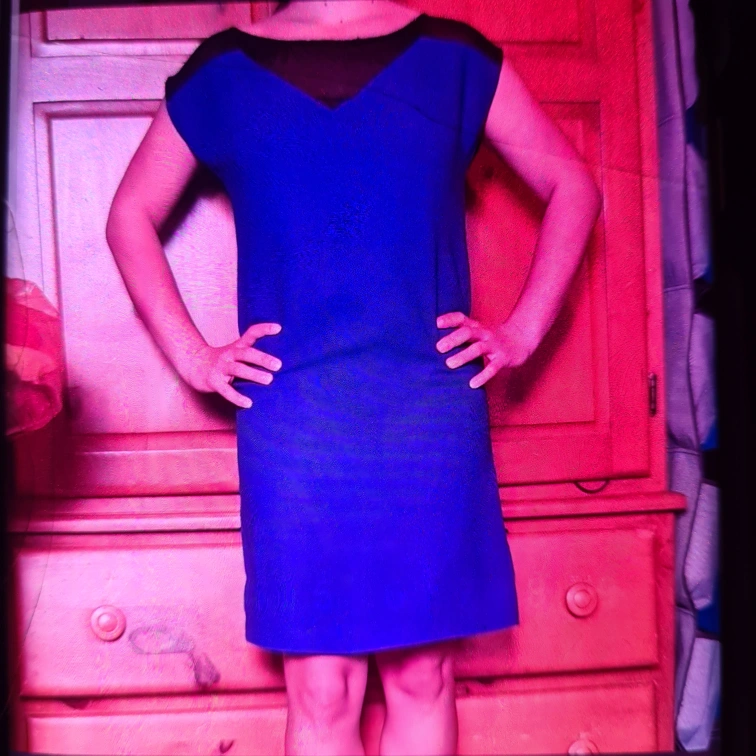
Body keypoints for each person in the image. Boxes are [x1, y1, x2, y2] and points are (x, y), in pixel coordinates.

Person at [106, 1, 601, 754]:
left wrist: (524, 328)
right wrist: (192, 354)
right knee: (321, 685)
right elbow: (129, 215)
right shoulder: (223, 69)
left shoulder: (455, 57)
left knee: (422, 676)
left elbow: (573, 186)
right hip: (296, 419)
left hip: (425, 412)